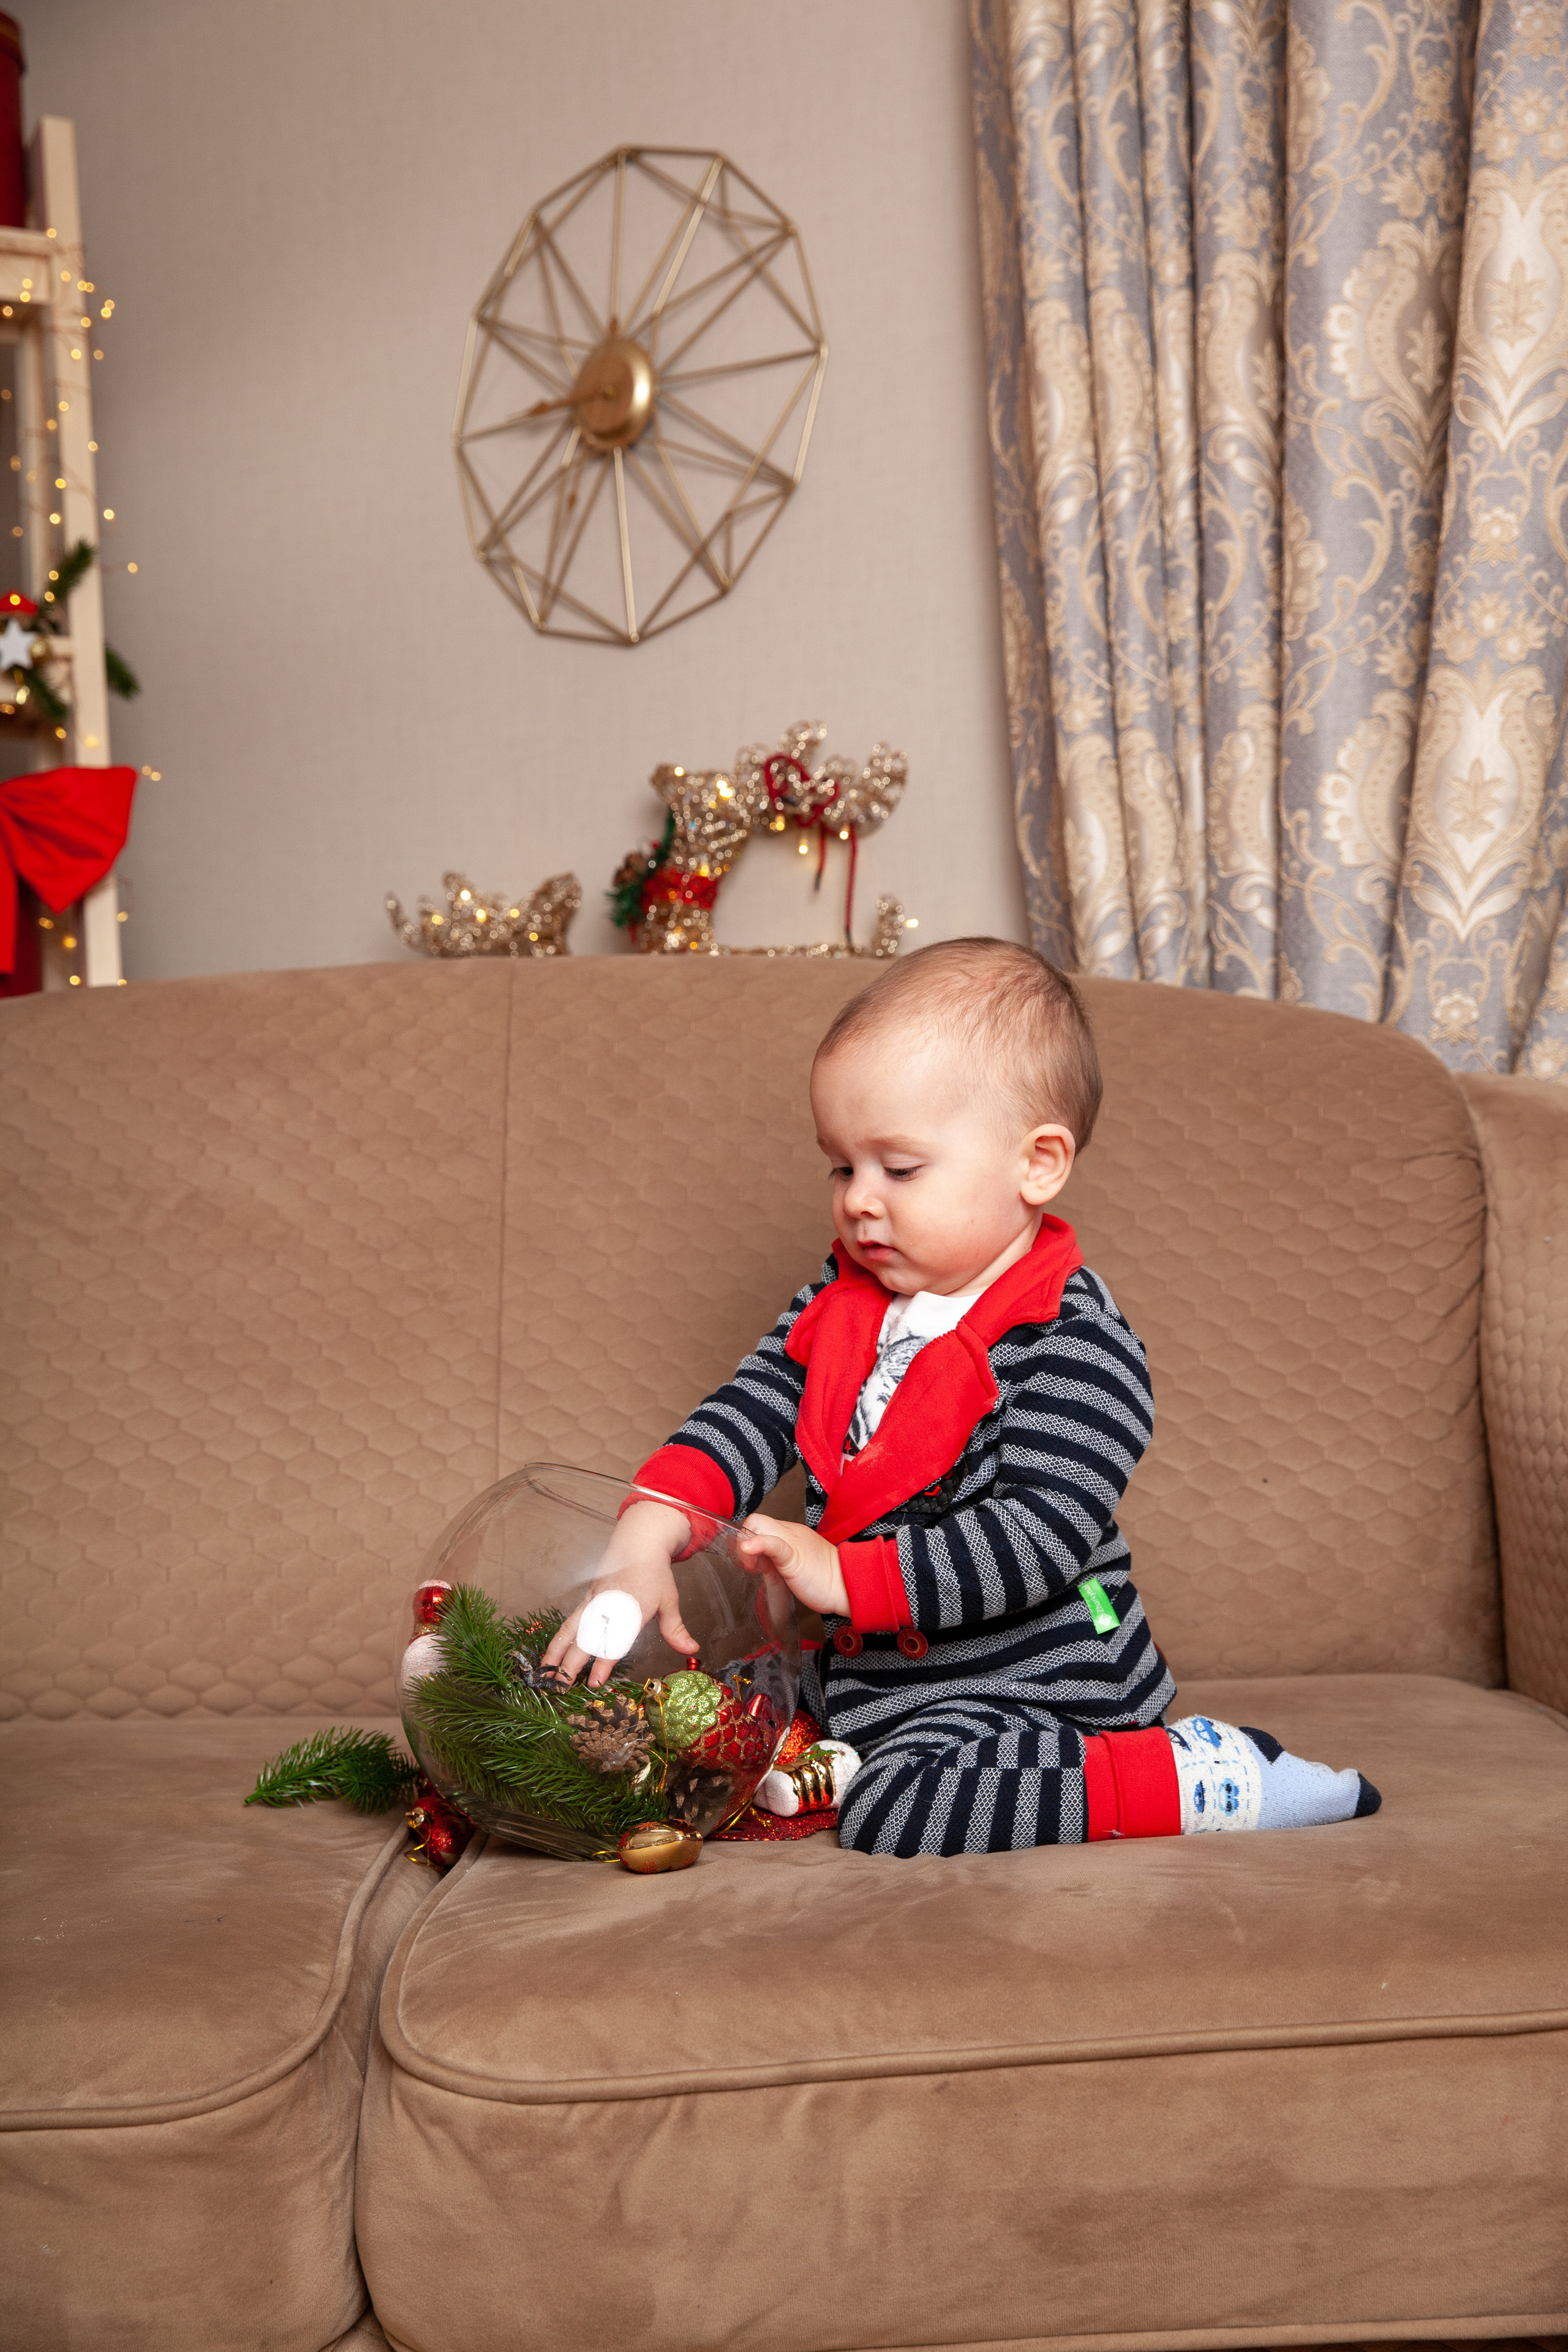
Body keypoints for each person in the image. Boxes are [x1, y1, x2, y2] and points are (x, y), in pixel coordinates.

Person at [543, 938, 1381, 1858]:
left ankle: (1192, 1777)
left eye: (899, 1170)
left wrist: (844, 1577)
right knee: (706, 1720)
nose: (860, 1201)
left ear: (1039, 1163)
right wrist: (647, 1532)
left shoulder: (1075, 1340)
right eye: (840, 1166)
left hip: (1035, 1679)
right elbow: (753, 1407)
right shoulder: (843, 1300)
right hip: (875, 1677)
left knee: (897, 1814)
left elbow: (1039, 1536)